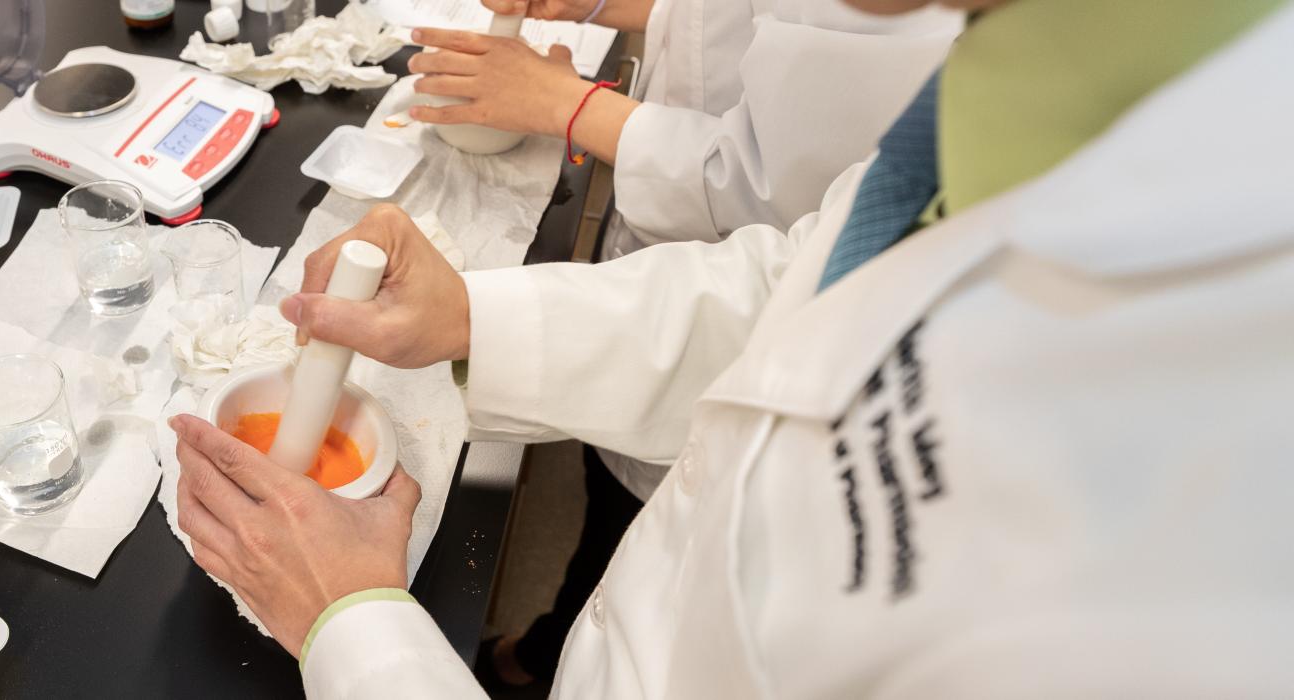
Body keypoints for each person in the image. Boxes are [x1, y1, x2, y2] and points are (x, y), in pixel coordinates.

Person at [170, 0, 1294, 696]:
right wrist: (477, 317)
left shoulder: (1199, 536)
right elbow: (800, 291)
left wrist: (355, 634)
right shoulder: (1048, 72)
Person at [411, 4, 959, 680]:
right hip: (685, 313)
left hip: (733, 433)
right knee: (611, 524)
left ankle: (541, 650)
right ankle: (548, 645)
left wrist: (568, 103)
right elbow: (791, 272)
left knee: (629, 532)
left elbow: (770, 193)